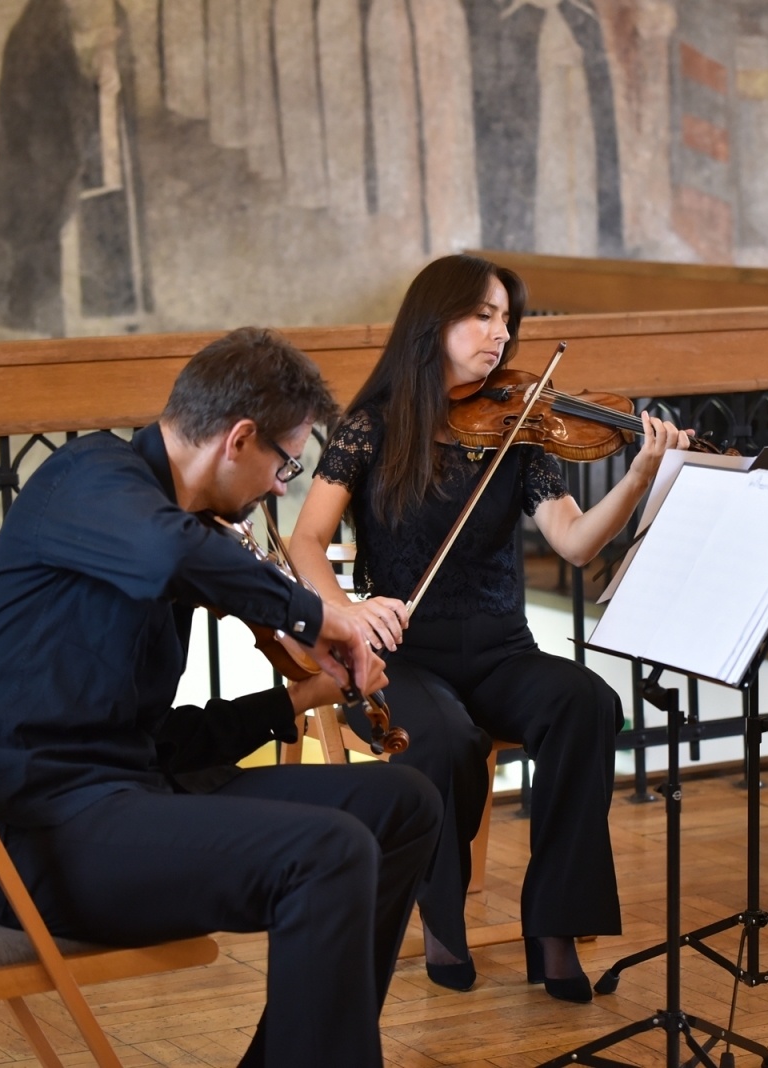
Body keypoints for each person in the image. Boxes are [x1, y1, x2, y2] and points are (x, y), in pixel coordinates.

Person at [0, 327, 441, 1068]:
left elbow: (150, 743)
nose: (283, 487)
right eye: (286, 462)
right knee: (328, 853)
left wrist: (299, 698)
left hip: (125, 796)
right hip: (37, 840)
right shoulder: (90, 478)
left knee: (404, 804)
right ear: (239, 439)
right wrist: (318, 614)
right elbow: (167, 549)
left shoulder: (170, 531)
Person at [288, 253, 691, 1001]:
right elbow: (305, 540)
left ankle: (554, 926)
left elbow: (575, 541)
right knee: (445, 737)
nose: (500, 334)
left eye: (506, 319)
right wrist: (344, 612)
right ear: (432, 323)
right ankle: (442, 918)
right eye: (482, 316)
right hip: (403, 658)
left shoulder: (519, 431)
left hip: (502, 650)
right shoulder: (371, 429)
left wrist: (639, 476)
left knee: (586, 702)